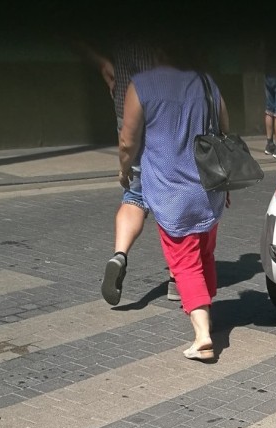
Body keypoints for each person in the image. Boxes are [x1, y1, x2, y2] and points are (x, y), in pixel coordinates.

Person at [118, 49, 229, 362]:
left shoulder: (142, 84)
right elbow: (225, 126)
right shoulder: (206, 82)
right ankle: (207, 307)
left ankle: (203, 334)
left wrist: (124, 170)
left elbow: (128, 141)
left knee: (184, 262)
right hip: (210, 186)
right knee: (205, 251)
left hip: (170, 193)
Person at [76, 38, 179, 306]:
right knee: (170, 193)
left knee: (134, 194)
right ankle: (177, 278)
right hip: (164, 112)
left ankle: (119, 255)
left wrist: (103, 61)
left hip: (127, 108)